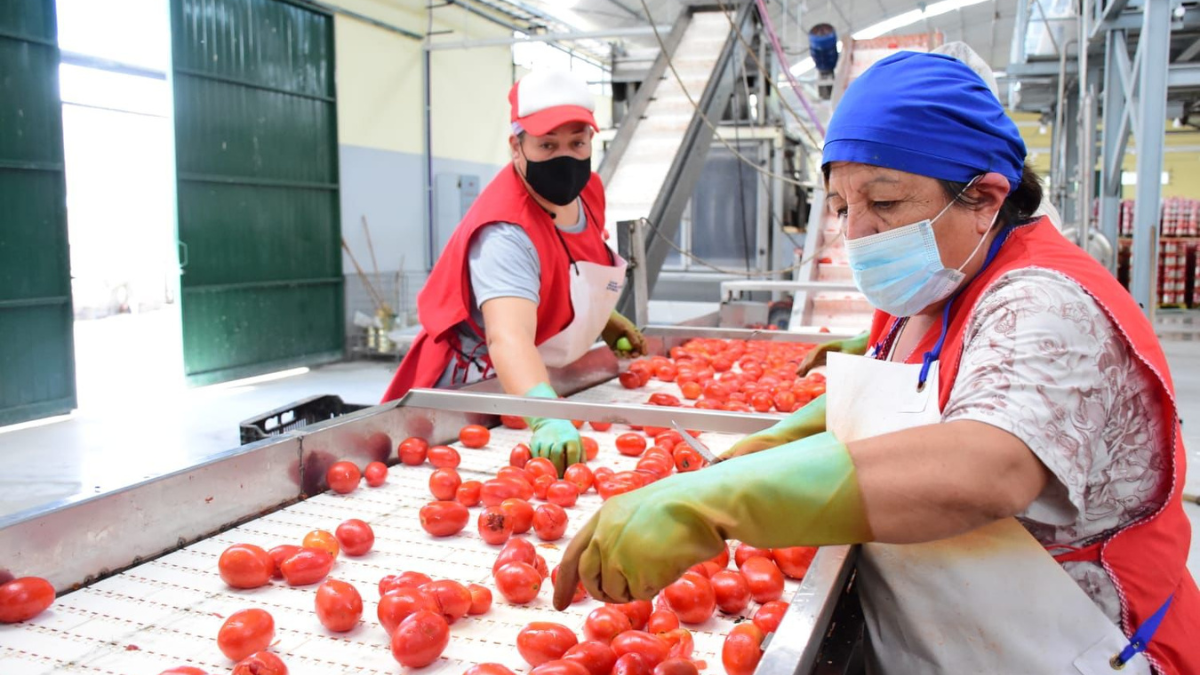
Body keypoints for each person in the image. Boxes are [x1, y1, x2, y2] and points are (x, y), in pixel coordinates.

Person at [553, 52, 1198, 673]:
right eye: (841, 207)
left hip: (1079, 649)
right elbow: (904, 396)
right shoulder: (936, 284)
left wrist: (716, 502)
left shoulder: (1045, 301)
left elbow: (990, 466)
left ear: (985, 197)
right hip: (959, 636)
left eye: (885, 203)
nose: (856, 233)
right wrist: (772, 445)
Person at [381, 70, 645, 473]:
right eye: (547, 145)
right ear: (516, 147)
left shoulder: (589, 191)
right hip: (475, 384)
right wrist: (546, 417)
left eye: (577, 143)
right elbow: (508, 336)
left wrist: (602, 319)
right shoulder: (506, 230)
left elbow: (563, 268)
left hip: (531, 370)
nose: (565, 158)